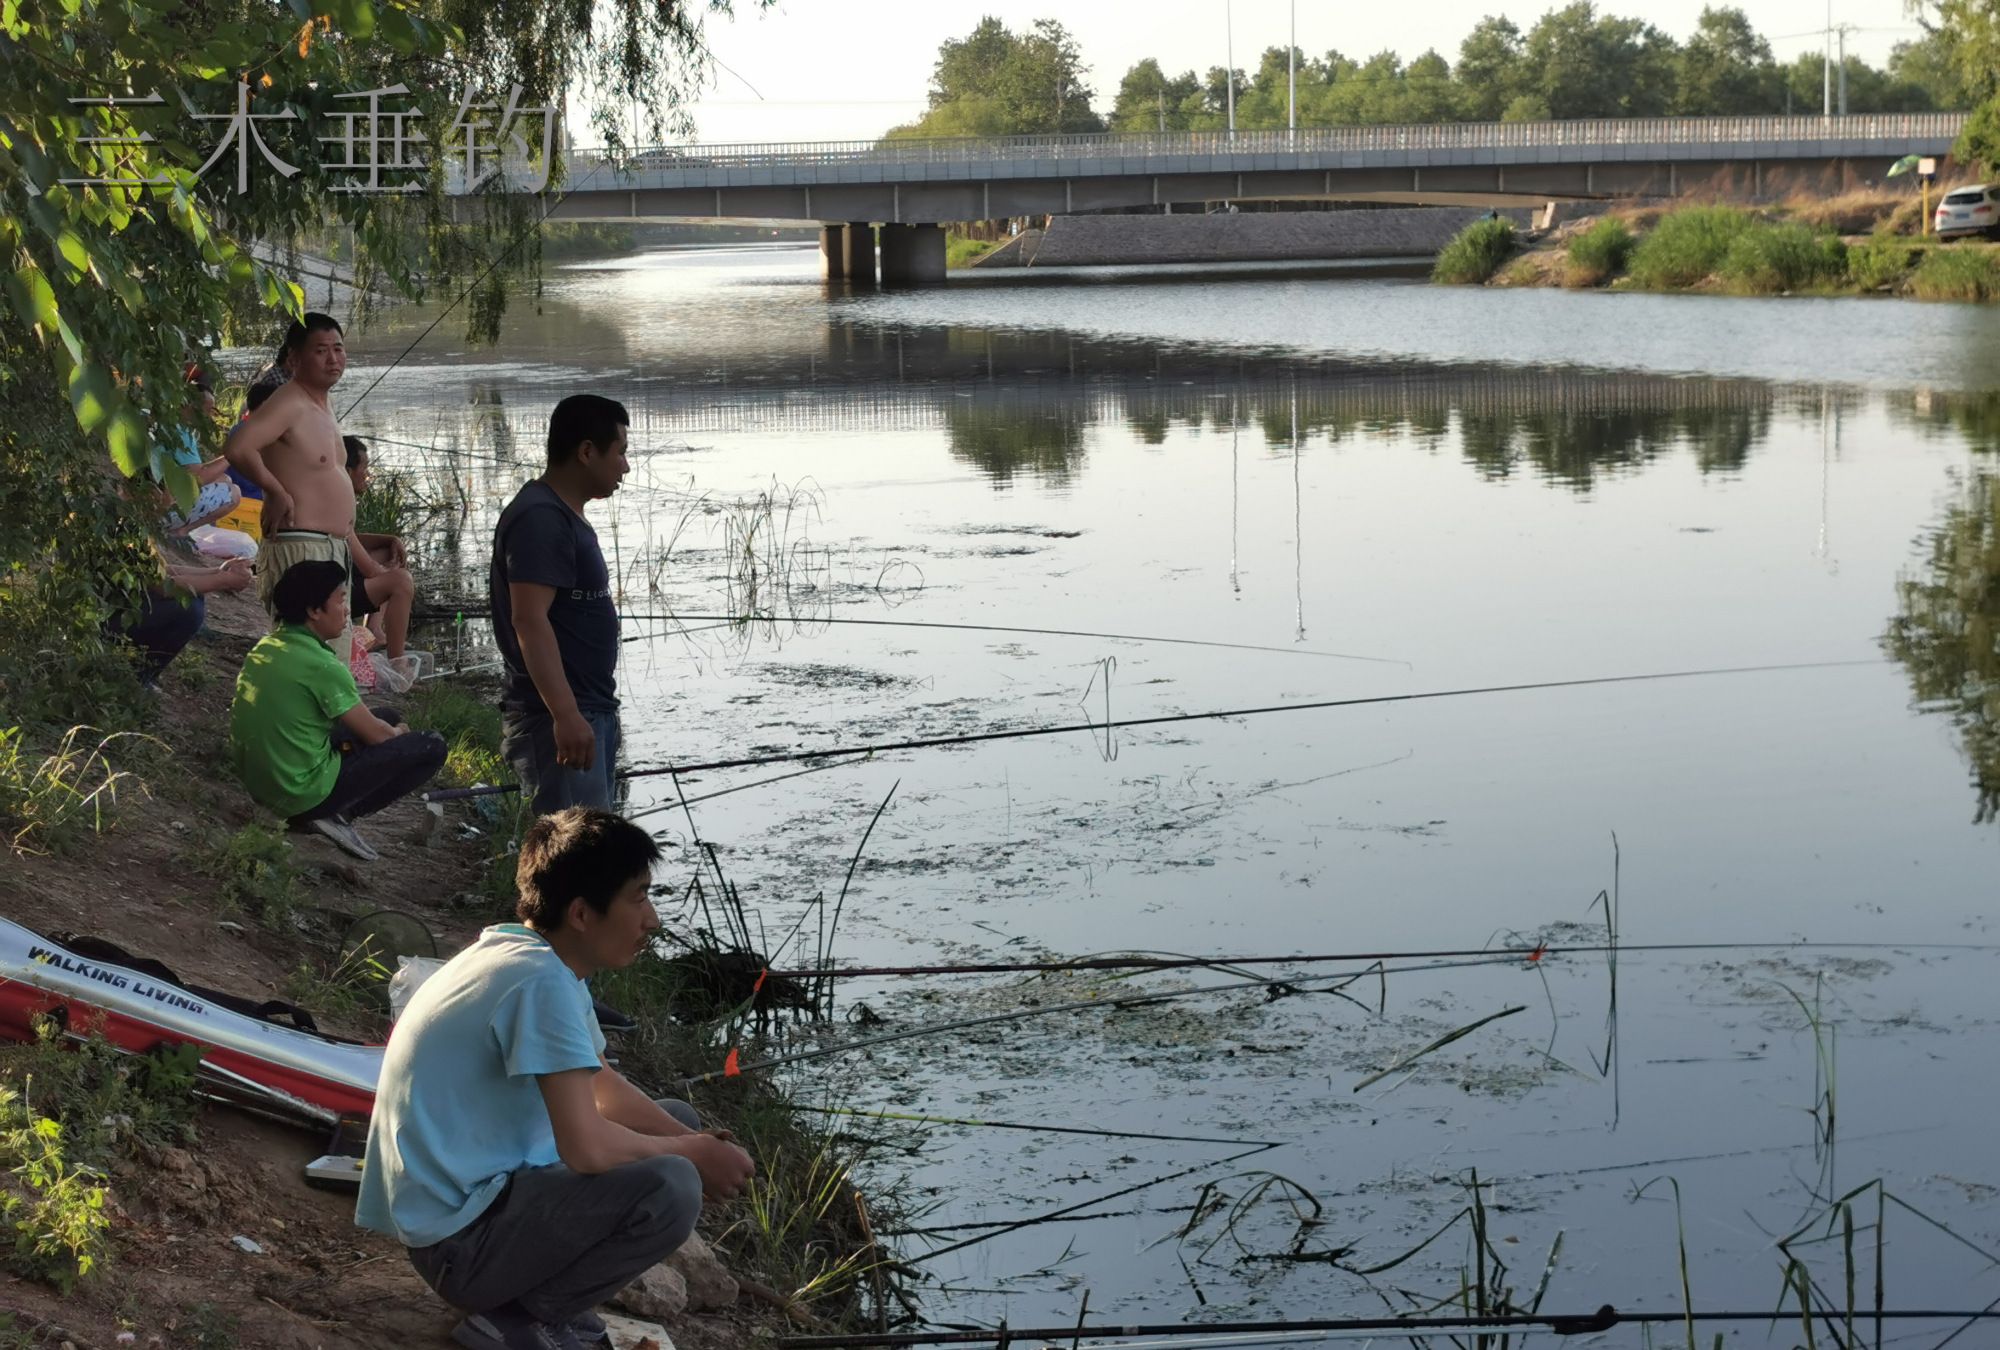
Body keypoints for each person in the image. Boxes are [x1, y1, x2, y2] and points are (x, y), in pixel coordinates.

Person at [356, 807, 754, 1350]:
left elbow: (602, 1088)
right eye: (638, 898)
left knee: (676, 1127)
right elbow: (587, 1149)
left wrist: (692, 1140)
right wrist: (694, 1156)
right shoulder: (538, 984)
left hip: (473, 1213)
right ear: (582, 914)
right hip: (461, 1247)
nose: (652, 919)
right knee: (674, 1182)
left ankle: (534, 1304)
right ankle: (519, 1318)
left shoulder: (531, 958)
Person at [229, 559, 445, 861]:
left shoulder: (267, 646)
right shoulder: (324, 665)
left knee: (386, 716)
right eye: (341, 600)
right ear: (314, 610)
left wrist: (389, 728)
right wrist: (398, 734)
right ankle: (338, 813)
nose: (347, 611)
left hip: (263, 787)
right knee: (431, 745)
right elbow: (381, 739)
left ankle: (327, 806)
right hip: (298, 796)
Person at [222, 314, 412, 644]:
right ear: (294, 358)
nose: (333, 359)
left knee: (330, 657)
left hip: (329, 549)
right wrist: (275, 491)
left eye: (338, 349)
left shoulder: (322, 404)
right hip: (301, 548)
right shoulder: (289, 400)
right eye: (321, 350)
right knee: (311, 656)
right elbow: (239, 447)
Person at [491, 396, 630, 814]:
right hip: (558, 719)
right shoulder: (540, 518)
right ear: (586, 452)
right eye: (620, 452)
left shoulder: (559, 513)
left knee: (596, 854)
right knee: (577, 862)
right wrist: (566, 714)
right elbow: (529, 620)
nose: (626, 466)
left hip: (587, 709)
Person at [340, 435, 415, 659]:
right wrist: (388, 574)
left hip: (335, 573)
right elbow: (371, 569)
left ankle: (374, 629)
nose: (368, 474)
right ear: (348, 470)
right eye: (365, 467)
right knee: (402, 582)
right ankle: (397, 663)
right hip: (331, 592)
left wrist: (389, 540)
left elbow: (349, 536)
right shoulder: (340, 501)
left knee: (389, 553)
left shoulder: (340, 495)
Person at [161, 367, 241, 534]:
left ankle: (182, 528)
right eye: (204, 411)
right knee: (234, 493)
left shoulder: (170, 422)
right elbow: (198, 478)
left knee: (224, 479)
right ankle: (183, 531)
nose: (206, 417)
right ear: (188, 405)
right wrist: (232, 455)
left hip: (152, 502)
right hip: (161, 510)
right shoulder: (179, 431)